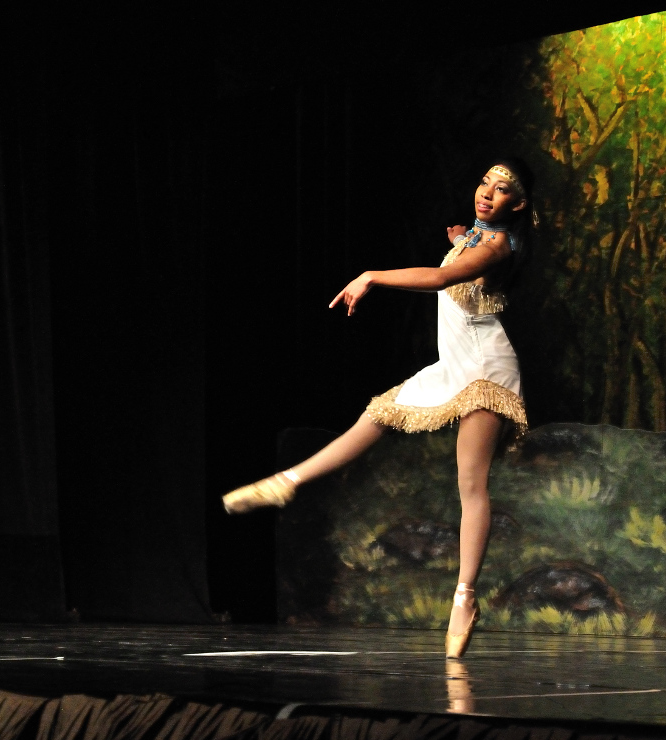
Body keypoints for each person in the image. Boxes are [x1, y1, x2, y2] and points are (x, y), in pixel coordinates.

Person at [222, 159, 536, 659]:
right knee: (376, 414)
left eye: (500, 191)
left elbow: (441, 279)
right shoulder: (478, 238)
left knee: (471, 484)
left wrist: (373, 276)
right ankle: (287, 482)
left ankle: (464, 599)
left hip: (485, 369)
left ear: (516, 205)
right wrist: (460, 238)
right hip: (451, 365)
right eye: (484, 183)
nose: (486, 193)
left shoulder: (497, 245)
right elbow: (464, 270)